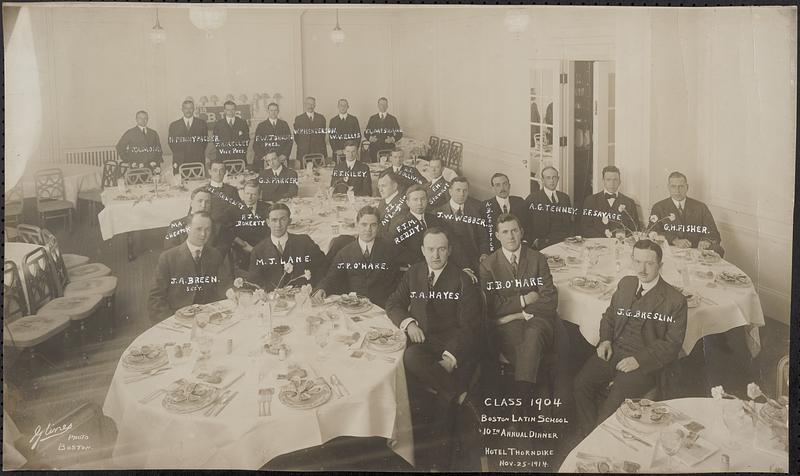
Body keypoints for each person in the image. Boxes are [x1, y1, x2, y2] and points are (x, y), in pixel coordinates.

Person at [385, 228, 482, 469]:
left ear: (449, 250)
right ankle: (462, 396)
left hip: (455, 347)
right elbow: (394, 303)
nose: (435, 255)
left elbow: (469, 328)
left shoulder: (462, 280)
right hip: (423, 345)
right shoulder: (415, 272)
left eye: (441, 249)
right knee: (409, 357)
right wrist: (409, 324)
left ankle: (437, 464)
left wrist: (450, 357)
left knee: (442, 399)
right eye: (430, 249)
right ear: (422, 250)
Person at [573, 239, 687, 437]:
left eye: (649, 263)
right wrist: (606, 339)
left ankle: (599, 437)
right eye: (637, 262)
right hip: (615, 349)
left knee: (612, 406)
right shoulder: (626, 283)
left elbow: (673, 344)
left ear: (660, 265)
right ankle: (590, 435)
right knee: (581, 384)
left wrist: (638, 360)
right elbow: (610, 315)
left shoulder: (675, 300)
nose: (642, 269)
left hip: (645, 362)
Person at [479, 214, 558, 419]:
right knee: (528, 352)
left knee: (532, 337)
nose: (511, 236)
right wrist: (524, 300)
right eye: (505, 232)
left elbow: (549, 300)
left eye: (514, 230)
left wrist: (517, 314)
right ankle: (533, 411)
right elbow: (492, 306)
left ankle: (518, 408)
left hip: (538, 319)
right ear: (497, 235)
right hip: (508, 328)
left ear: (522, 232)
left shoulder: (537, 258)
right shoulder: (488, 265)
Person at [148, 212, 232, 323]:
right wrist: (170, 322)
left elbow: (224, 285)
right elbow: (156, 299)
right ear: (187, 229)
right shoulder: (168, 258)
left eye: (208, 230)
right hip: (177, 318)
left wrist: (231, 293)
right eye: (198, 229)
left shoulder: (214, 254)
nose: (203, 234)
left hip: (209, 317)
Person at [312, 206, 401, 308]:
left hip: (382, 306)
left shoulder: (389, 251)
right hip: (354, 305)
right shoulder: (345, 253)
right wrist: (322, 288)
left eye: (373, 225)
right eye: (364, 224)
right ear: (357, 225)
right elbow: (332, 277)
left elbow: (396, 283)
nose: (368, 229)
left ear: (378, 227)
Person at [248, 203, 325, 291]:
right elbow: (255, 283)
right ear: (268, 223)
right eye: (274, 220)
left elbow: (322, 267)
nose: (278, 225)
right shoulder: (258, 251)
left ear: (289, 221)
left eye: (283, 219)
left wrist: (317, 288)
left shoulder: (304, 242)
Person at [650, 171, 724, 257]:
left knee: (718, 249)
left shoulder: (701, 207)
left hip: (696, 251)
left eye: (681, 186)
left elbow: (713, 233)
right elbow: (652, 231)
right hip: (670, 251)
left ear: (687, 187)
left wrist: (706, 241)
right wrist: (674, 240)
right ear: (668, 188)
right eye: (673, 187)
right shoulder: (659, 207)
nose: (677, 191)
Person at [433, 177, 489, 274]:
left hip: (474, 259)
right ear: (450, 191)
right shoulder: (437, 213)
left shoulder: (476, 210)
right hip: (449, 261)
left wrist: (484, 253)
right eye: (458, 190)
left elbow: (483, 237)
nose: (462, 194)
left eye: (465, 190)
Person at [387, 184, 444, 267]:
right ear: (408, 203)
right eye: (415, 200)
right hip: (413, 267)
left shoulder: (435, 220)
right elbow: (393, 248)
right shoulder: (399, 223)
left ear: (427, 200)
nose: (420, 203)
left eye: (423, 199)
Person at [579, 165, 640, 238]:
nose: (612, 183)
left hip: (621, 245)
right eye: (608, 180)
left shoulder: (629, 203)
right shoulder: (590, 201)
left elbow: (635, 229)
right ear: (603, 181)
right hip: (597, 246)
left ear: (620, 182)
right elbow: (585, 228)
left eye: (615, 180)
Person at [526, 166, 574, 250]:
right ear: (542, 180)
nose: (552, 181)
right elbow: (526, 223)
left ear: (558, 179)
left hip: (564, 242)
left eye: (554, 177)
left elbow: (569, 222)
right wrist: (534, 240)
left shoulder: (565, 197)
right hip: (543, 243)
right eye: (548, 178)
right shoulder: (532, 199)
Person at [483, 173, 531, 254]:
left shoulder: (520, 202)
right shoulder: (485, 206)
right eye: (498, 185)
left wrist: (525, 243)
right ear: (493, 188)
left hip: (519, 248)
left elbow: (528, 226)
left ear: (509, 186)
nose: (502, 188)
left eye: (505, 184)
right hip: (496, 251)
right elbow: (484, 235)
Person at [232, 181, 270, 271]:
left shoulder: (267, 208)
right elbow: (229, 231)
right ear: (243, 193)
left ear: (259, 195)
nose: (249, 197)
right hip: (243, 249)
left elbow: (271, 231)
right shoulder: (233, 209)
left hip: (264, 248)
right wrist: (244, 245)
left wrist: (258, 249)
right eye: (247, 193)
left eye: (253, 194)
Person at [253, 102, 293, 172]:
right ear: (268, 111)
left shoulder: (284, 124)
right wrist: (265, 157)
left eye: (275, 110)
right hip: (266, 161)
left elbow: (289, 142)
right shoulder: (261, 126)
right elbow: (256, 145)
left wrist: (284, 155)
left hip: (281, 159)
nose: (273, 112)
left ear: (278, 111)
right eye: (271, 110)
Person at [168, 100, 209, 168]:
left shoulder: (202, 124)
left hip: (197, 160)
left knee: (199, 178)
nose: (188, 111)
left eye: (190, 108)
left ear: (194, 109)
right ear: (182, 109)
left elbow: (204, 142)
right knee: (179, 178)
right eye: (186, 108)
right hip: (180, 161)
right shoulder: (174, 125)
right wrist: (180, 154)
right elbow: (171, 143)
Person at [364, 97, 402, 162]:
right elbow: (366, 132)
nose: (383, 107)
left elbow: (400, 133)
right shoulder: (372, 118)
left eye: (385, 105)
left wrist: (392, 139)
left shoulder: (392, 119)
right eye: (381, 105)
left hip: (388, 148)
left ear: (387, 106)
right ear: (378, 106)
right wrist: (370, 138)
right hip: (374, 148)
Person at [293, 96, 328, 163]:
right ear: (305, 105)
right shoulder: (298, 119)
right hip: (304, 152)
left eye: (312, 104)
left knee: (320, 172)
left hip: (318, 151)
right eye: (308, 104)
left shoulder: (321, 118)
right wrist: (304, 145)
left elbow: (322, 135)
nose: (310, 106)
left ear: (315, 105)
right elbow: (296, 137)